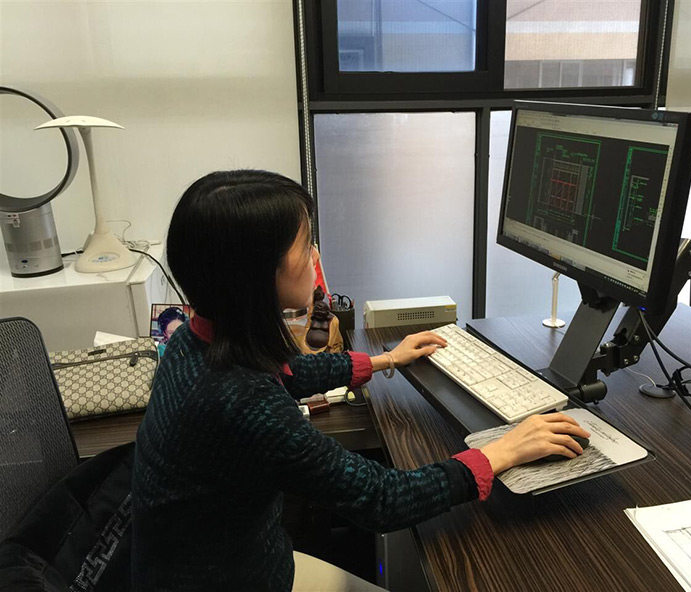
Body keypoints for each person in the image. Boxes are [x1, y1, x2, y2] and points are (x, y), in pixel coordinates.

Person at [131, 170, 589, 591]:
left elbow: (290, 371)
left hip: (221, 564)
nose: (315, 256)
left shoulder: (197, 339)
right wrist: (500, 452)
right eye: (304, 246)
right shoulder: (241, 402)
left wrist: (386, 359)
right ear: (254, 276)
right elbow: (381, 499)